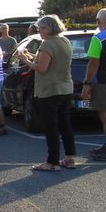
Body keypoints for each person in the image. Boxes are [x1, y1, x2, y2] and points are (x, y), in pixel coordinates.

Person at [19, 15, 76, 170]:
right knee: (65, 124)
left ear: (49, 28)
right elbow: (48, 61)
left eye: (41, 28)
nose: (40, 31)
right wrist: (30, 56)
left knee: (51, 127)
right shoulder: (65, 41)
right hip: (66, 88)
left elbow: (42, 68)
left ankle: (52, 162)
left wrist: (25, 61)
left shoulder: (47, 44)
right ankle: (70, 158)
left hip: (50, 90)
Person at [81, 8, 106, 161]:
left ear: (99, 21)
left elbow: (93, 63)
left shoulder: (98, 38)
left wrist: (87, 84)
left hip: (104, 82)